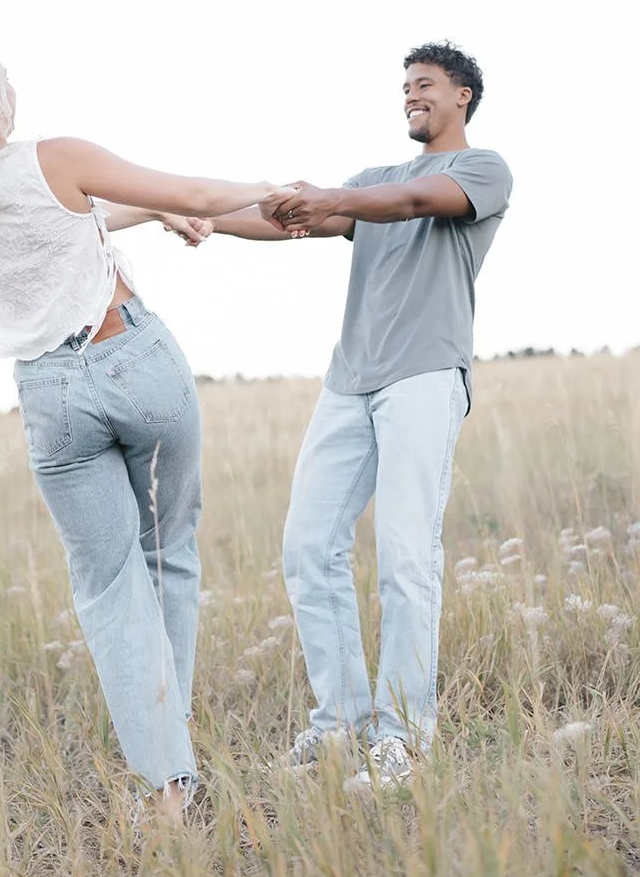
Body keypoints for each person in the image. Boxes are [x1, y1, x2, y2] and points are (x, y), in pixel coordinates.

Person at [0, 37, 288, 817]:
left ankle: (168, 784)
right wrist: (261, 187)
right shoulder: (57, 156)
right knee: (169, 554)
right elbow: (194, 191)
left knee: (106, 586)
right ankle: (174, 752)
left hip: (52, 397)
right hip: (133, 359)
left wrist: (150, 210)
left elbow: (72, 221)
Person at [202, 41, 512, 790]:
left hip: (425, 376)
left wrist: (332, 198)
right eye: (405, 85)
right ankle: (340, 725)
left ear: (463, 95)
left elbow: (412, 204)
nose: (412, 95)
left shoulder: (482, 170)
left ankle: (404, 735)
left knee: (407, 556)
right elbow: (293, 222)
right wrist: (205, 218)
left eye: (426, 84)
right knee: (307, 547)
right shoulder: (371, 181)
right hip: (351, 381)